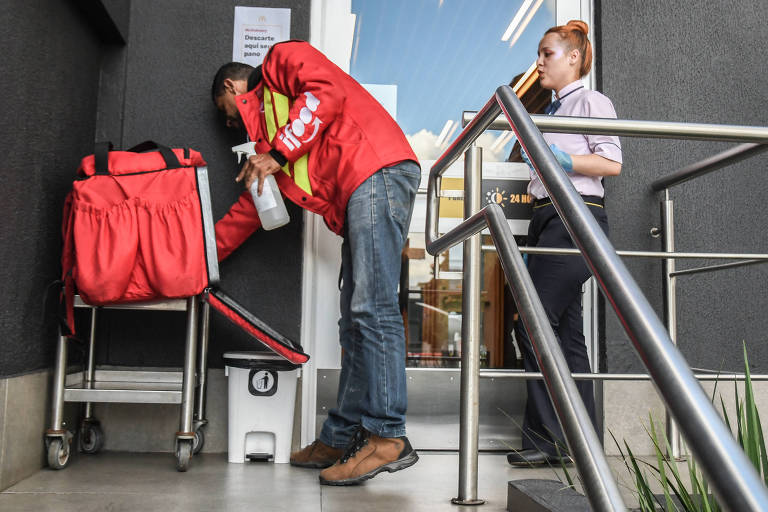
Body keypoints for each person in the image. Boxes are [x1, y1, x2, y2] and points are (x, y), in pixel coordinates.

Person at [211, 40, 421, 485]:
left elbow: (326, 91)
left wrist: (278, 154)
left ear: (232, 85)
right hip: (358, 193)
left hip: (376, 169)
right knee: (353, 322)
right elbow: (250, 214)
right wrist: (202, 258)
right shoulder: (269, 145)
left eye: (226, 111)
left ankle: (388, 437)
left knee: (373, 309)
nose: (230, 123)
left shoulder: (279, 61)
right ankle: (341, 435)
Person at [507, 20, 622, 466]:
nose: (538, 62)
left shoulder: (591, 100)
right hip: (546, 219)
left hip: (575, 216)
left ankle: (549, 441)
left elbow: (612, 163)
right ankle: (583, 441)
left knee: (531, 324)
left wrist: (564, 159)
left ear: (573, 57)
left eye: (547, 53)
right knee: (565, 333)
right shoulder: (551, 111)